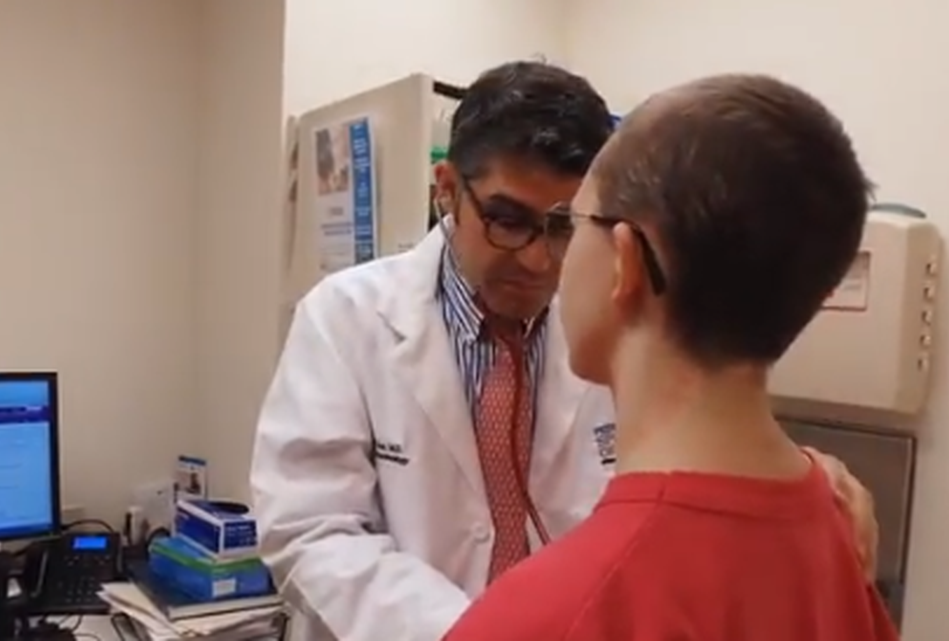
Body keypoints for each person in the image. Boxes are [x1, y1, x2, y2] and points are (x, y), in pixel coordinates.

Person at [250, 62, 880, 641]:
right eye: (507, 219)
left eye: (561, 226)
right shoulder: (346, 316)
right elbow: (310, 527)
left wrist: (796, 474)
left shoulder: (615, 329)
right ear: (447, 190)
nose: (536, 258)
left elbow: (696, 426)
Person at [443, 73, 898, 641]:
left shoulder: (539, 619)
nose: (543, 260)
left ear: (625, 263)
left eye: (569, 223)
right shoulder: (838, 536)